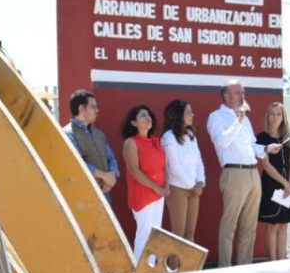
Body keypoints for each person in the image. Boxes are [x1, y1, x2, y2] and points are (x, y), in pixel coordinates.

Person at [206, 80, 266, 266]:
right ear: (226, 95)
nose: (242, 96)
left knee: (249, 227)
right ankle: (225, 269)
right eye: (238, 92)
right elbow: (222, 141)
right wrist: (239, 119)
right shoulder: (216, 117)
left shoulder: (244, 119)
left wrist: (265, 148)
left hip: (252, 173)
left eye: (243, 92)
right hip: (234, 173)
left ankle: (244, 268)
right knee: (229, 226)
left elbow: (251, 144)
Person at [121, 104, 170, 262]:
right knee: (145, 234)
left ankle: (151, 272)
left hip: (159, 195)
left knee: (156, 234)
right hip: (143, 196)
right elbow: (135, 171)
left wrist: (166, 187)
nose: (147, 117)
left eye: (148, 115)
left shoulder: (157, 142)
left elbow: (165, 167)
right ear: (134, 123)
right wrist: (157, 188)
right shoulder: (131, 143)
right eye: (142, 115)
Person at [256, 102, 290, 260]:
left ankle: (283, 261)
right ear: (267, 116)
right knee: (272, 225)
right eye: (272, 114)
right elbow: (266, 165)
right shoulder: (262, 138)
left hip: (287, 186)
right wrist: (285, 183)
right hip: (271, 186)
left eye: (278, 114)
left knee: (283, 225)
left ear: (283, 118)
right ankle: (273, 262)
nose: (275, 117)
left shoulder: (287, 138)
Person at [64, 89, 120, 202]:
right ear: (81, 109)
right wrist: (104, 176)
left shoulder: (100, 134)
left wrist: (112, 176)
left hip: (105, 194)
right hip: (83, 196)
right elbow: (76, 163)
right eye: (93, 107)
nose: (97, 110)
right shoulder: (67, 134)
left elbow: (111, 158)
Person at [161, 99, 205, 243]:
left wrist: (200, 181)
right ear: (178, 115)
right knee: (178, 233)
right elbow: (173, 166)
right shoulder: (168, 137)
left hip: (194, 189)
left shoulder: (191, 136)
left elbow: (199, 161)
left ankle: (191, 266)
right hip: (177, 188)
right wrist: (192, 185)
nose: (192, 115)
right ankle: (175, 266)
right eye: (188, 112)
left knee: (190, 232)